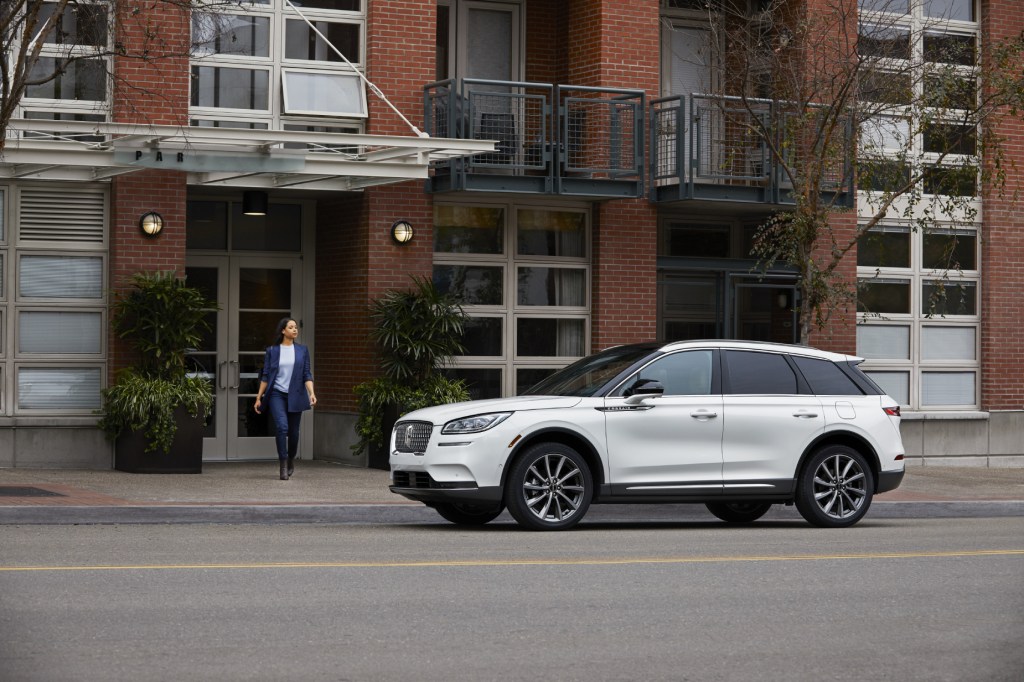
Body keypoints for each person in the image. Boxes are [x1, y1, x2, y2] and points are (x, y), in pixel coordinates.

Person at [254, 318, 316, 480]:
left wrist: (312, 392)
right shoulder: (272, 351)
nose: (295, 330)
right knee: (282, 427)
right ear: (283, 330)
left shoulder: (303, 350)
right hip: (276, 394)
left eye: (296, 327)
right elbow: (266, 375)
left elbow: (306, 374)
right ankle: (282, 464)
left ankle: (290, 459)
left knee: (294, 433)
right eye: (291, 327)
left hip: (296, 394)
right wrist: (259, 397)